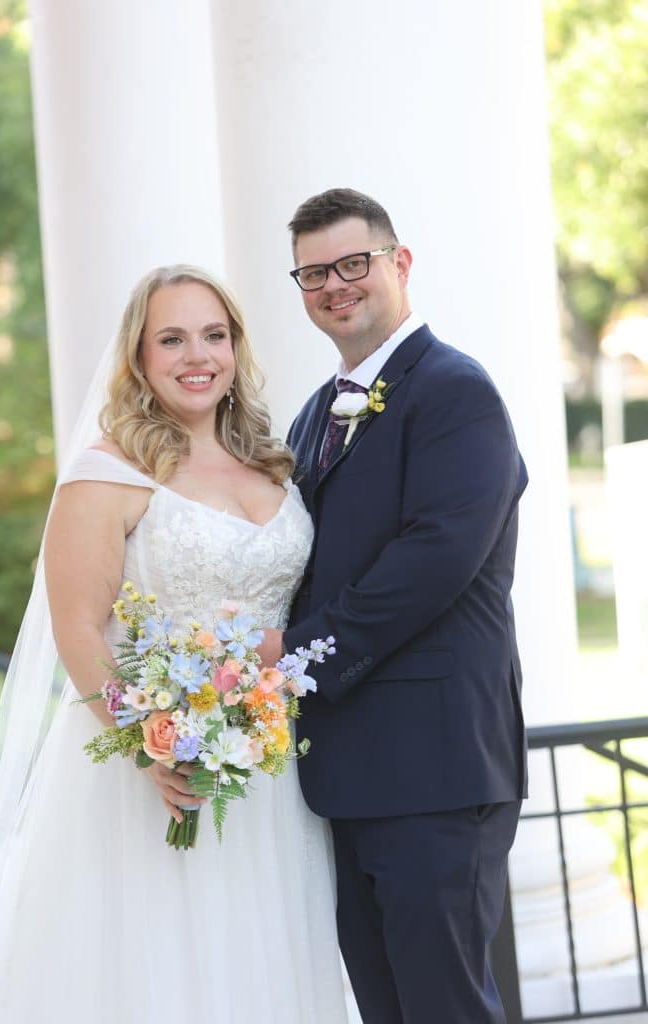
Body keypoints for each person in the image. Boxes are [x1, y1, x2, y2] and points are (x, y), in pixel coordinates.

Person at [0, 265, 348, 1023]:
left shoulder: (273, 461)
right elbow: (78, 626)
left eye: (213, 335)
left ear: (235, 348)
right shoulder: (108, 472)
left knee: (263, 960)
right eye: (170, 339)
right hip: (152, 769)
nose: (195, 355)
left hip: (270, 771)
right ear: (138, 357)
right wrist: (152, 745)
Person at [257, 189, 529, 1023]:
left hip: (436, 768)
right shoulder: (310, 416)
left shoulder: (455, 392)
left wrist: (292, 660)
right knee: (383, 1008)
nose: (334, 285)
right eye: (313, 273)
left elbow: (432, 560)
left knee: (443, 1006)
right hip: (344, 774)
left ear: (397, 263)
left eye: (352, 264)